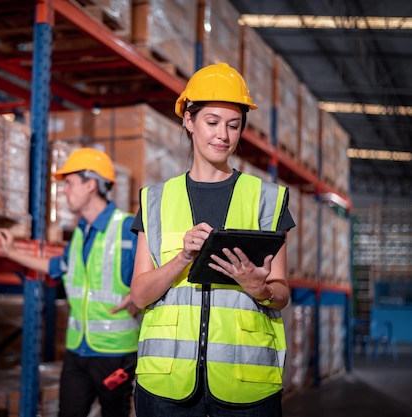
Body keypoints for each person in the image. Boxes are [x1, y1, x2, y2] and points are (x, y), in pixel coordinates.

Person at [129, 62, 295, 417]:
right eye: (212, 122)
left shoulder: (267, 199)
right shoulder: (154, 200)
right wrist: (181, 258)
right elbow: (139, 295)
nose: (223, 135)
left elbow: (281, 294)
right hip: (166, 386)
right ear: (189, 121)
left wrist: (259, 288)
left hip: (245, 387)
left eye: (234, 125)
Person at [0, 147, 140, 417]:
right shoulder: (80, 232)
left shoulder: (127, 227)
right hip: (77, 352)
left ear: (90, 184)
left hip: (115, 353)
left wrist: (139, 295)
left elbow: (158, 271)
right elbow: (56, 266)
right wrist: (12, 252)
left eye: (69, 183)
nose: (64, 190)